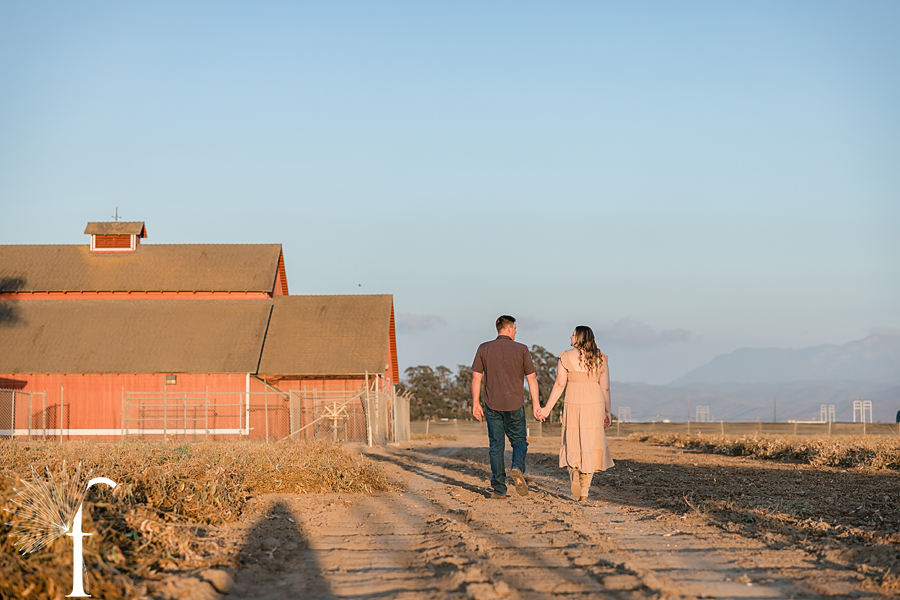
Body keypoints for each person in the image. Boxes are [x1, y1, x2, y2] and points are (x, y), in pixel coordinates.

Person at [538, 325, 614, 502]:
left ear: (579, 338)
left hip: (573, 401)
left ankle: (574, 470)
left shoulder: (566, 356)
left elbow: (559, 385)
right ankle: (585, 491)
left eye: (572, 335)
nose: (570, 337)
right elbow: (605, 387)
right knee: (590, 444)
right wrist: (608, 411)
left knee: (572, 440)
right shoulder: (602, 358)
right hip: (595, 402)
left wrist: (546, 409)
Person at [472, 315, 542, 498]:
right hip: (515, 404)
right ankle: (517, 467)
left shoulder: (484, 348)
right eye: (515, 328)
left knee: (496, 446)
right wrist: (536, 405)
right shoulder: (522, 349)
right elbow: (532, 379)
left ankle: (499, 490)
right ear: (509, 329)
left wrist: (475, 403)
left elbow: (476, 378)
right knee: (519, 441)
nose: (516, 332)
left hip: (492, 404)